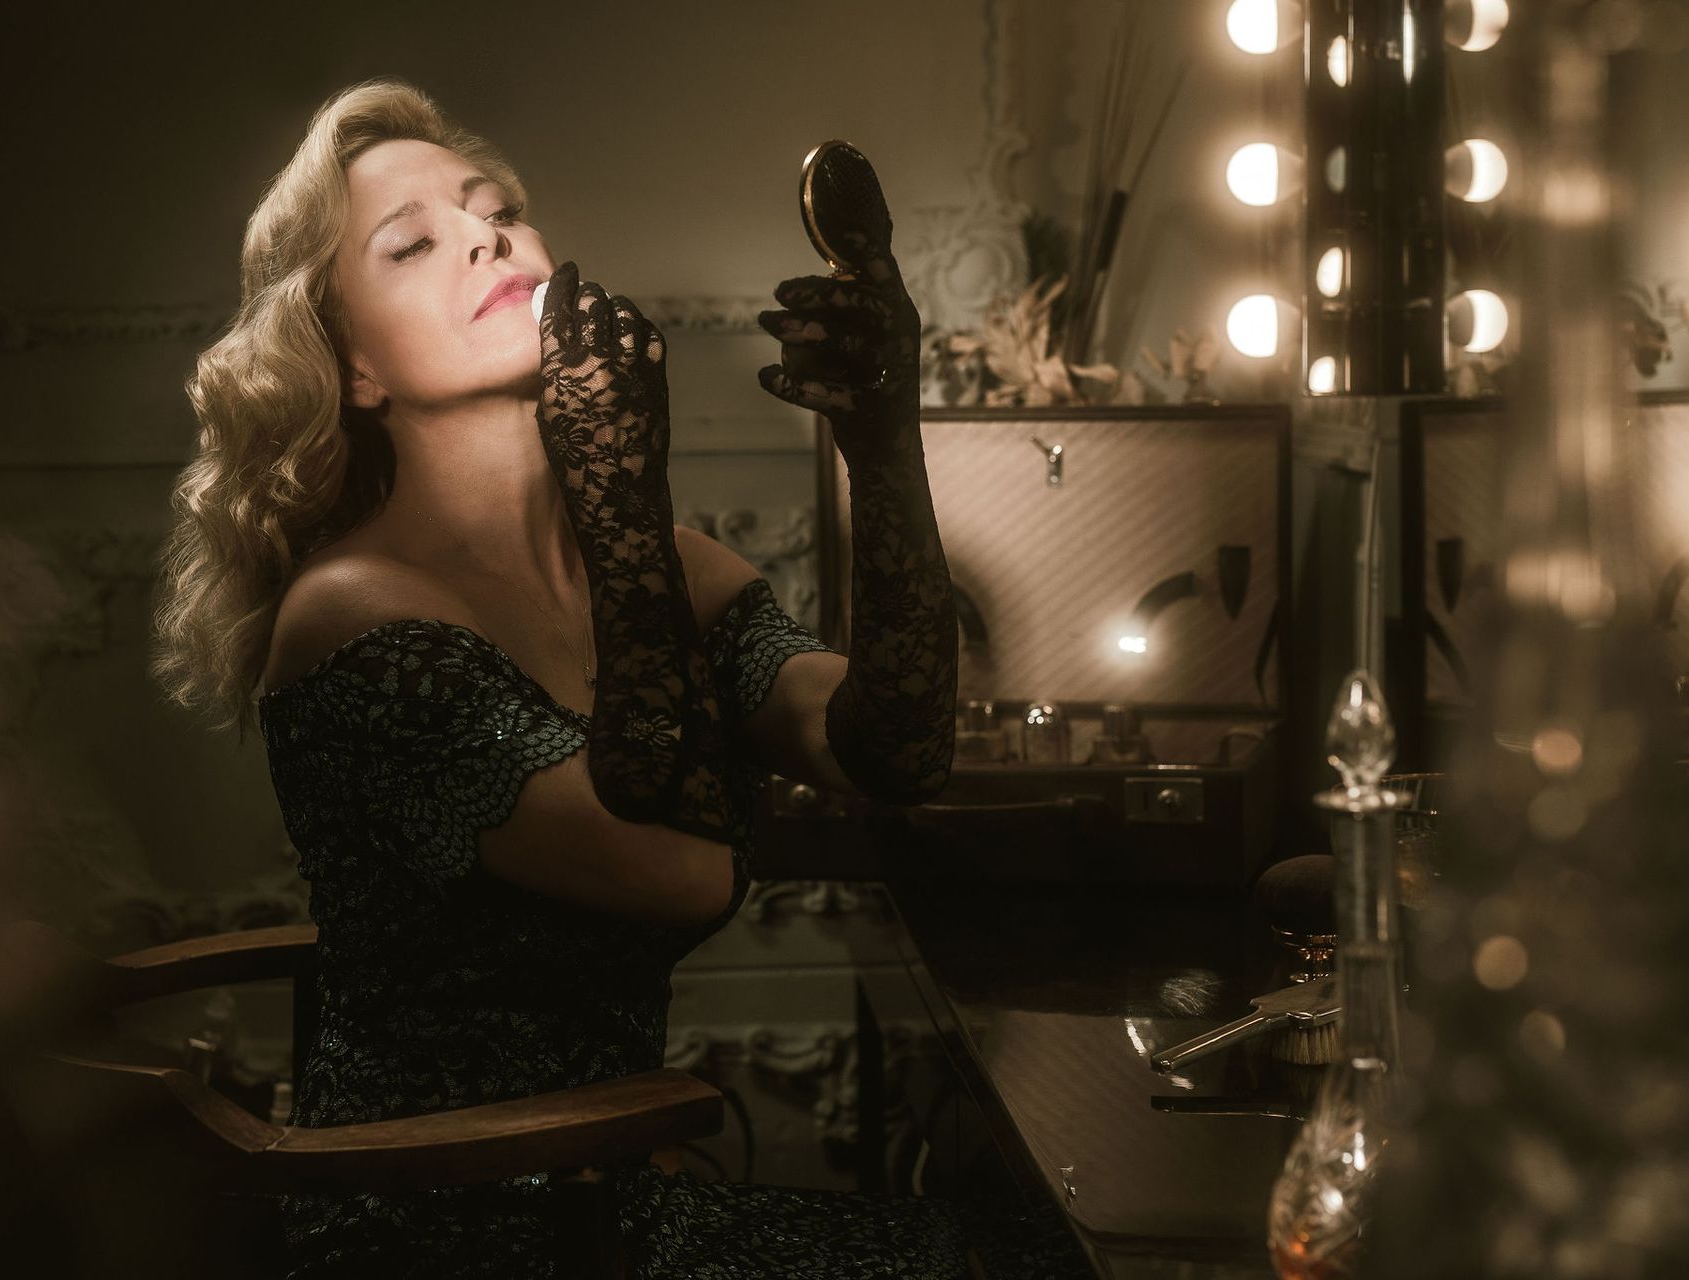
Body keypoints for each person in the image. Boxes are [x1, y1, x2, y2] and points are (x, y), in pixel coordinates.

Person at [151, 77, 1087, 1278]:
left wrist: (884, 439)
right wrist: (624, 502)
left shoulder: (666, 568)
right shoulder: (353, 616)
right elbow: (681, 871)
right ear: (357, 368)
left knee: (1040, 1245)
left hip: (613, 1209)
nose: (486, 235)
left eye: (497, 208)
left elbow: (893, 747)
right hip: (433, 1231)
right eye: (412, 243)